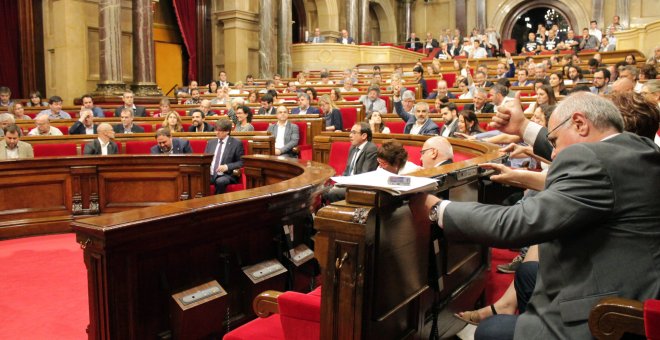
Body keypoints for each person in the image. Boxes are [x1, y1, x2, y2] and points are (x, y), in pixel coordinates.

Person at [412, 92, 660, 340]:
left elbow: (516, 224)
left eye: (554, 142)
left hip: (606, 314)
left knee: (490, 331)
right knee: (528, 273)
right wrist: (523, 127)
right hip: (636, 285)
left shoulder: (593, 159)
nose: (552, 154)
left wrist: (438, 208)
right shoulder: (640, 148)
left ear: (580, 123)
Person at [323, 122, 378, 203]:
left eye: (354, 132)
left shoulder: (371, 148)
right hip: (347, 184)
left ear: (364, 136)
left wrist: (345, 184)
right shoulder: (353, 148)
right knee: (319, 191)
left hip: (358, 188)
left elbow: (365, 175)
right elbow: (347, 170)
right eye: (350, 132)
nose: (350, 135)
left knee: (332, 193)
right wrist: (340, 182)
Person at [205, 119, 244, 194]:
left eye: (220, 131)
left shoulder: (236, 143)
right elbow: (205, 159)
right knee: (198, 178)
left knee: (220, 181)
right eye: (216, 130)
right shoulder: (211, 142)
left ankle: (217, 203)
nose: (217, 133)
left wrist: (227, 167)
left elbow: (241, 162)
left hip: (226, 175)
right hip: (210, 174)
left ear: (227, 131)